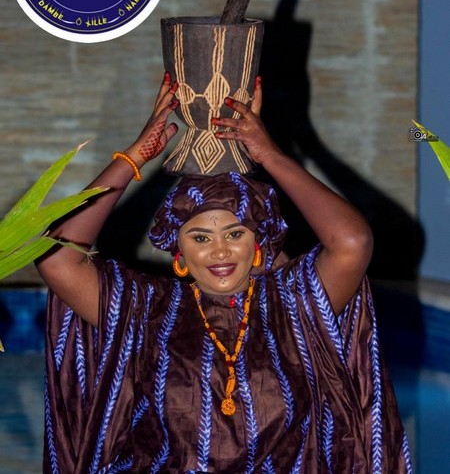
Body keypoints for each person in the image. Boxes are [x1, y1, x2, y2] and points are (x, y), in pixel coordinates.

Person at [37, 72, 411, 473]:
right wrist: (134, 158)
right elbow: (56, 256)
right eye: (200, 238)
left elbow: (352, 242)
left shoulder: (294, 305)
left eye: (235, 233)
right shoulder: (147, 310)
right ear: (179, 251)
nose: (219, 251)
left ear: (258, 243)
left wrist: (269, 156)